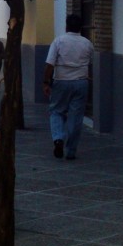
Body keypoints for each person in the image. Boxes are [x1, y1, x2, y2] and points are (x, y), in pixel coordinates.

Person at [43, 14, 94, 161]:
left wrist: (46, 82)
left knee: (56, 111)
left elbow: (49, 64)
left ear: (66, 26)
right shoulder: (87, 43)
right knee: (76, 117)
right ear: (80, 27)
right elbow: (89, 63)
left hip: (61, 81)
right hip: (81, 82)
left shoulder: (59, 41)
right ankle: (71, 151)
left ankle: (58, 138)